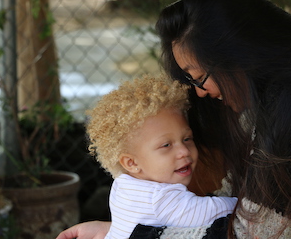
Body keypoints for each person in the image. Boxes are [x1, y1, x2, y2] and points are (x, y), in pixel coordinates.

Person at [57, 0, 291, 238]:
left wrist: (127, 234)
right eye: (192, 80)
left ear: (239, 55)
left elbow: (250, 232)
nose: (200, 92)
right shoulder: (261, 107)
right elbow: (233, 206)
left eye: (200, 78)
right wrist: (116, 231)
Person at [79, 75, 237, 239]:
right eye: (166, 145)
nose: (184, 151)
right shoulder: (159, 199)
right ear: (132, 162)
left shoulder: (122, 185)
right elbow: (212, 210)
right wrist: (242, 203)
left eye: (187, 139)